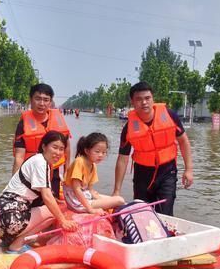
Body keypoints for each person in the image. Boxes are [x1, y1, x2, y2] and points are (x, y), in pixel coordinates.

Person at [112, 81, 193, 216]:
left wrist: (189, 169)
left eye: (147, 98)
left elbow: (183, 141)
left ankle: (166, 235)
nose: (144, 102)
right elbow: (122, 159)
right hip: (142, 174)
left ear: (152, 99)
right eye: (139, 99)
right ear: (132, 102)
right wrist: (116, 191)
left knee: (165, 213)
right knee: (142, 213)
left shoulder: (170, 115)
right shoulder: (128, 128)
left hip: (167, 171)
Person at [0, 131, 78, 252]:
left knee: (53, 208)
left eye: (61, 149)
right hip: (9, 219)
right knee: (52, 214)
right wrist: (63, 221)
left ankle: (11, 239)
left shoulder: (37, 160)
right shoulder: (40, 162)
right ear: (44, 146)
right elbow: (46, 196)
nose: (58, 152)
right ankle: (16, 245)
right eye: (54, 147)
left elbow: (46, 195)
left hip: (0, 220)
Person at [12, 83, 71, 200]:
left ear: (50, 102)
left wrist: (67, 172)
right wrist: (15, 183)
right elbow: (19, 156)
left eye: (46, 100)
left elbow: (67, 147)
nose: (42, 103)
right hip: (32, 172)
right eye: (38, 99)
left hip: (54, 171)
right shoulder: (23, 123)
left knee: (53, 201)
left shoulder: (58, 120)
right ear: (31, 100)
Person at [63, 132, 125, 214]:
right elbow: (76, 189)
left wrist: (101, 200)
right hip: (75, 201)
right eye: (97, 151)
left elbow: (91, 190)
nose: (101, 155)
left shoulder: (93, 165)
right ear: (87, 151)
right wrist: (90, 209)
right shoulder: (79, 162)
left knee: (117, 199)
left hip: (85, 195)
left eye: (104, 152)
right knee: (120, 200)